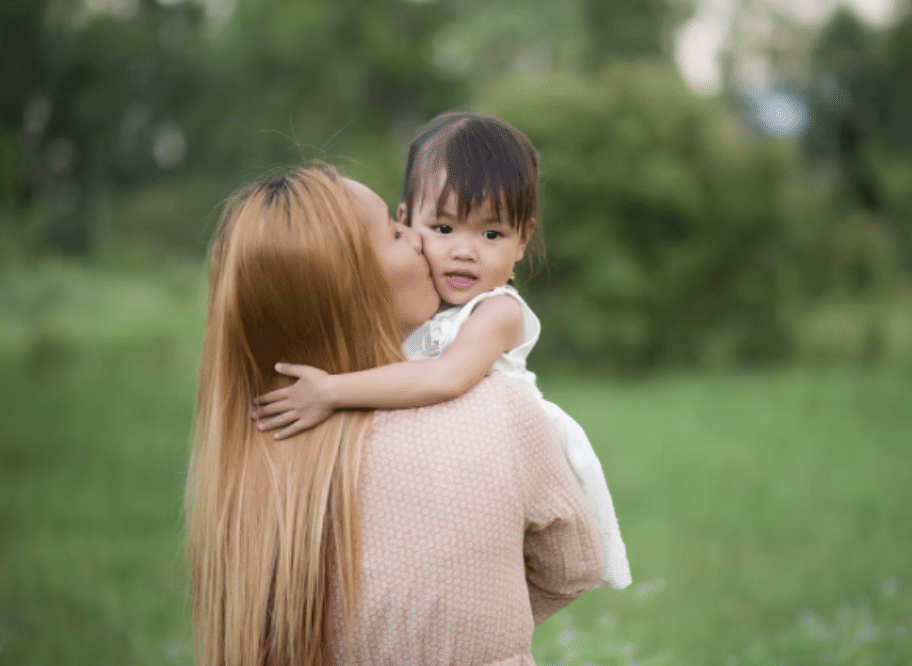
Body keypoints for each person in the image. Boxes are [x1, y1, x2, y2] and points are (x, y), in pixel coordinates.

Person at [185, 163, 602, 666]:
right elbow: (572, 566)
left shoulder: (250, 453)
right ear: (352, 283)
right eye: (394, 229)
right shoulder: (497, 408)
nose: (421, 241)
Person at [251, 113, 631, 589]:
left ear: (523, 241)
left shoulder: (497, 313)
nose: (464, 251)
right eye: (444, 228)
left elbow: (445, 377)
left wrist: (330, 390)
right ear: (407, 220)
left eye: (491, 234)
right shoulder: (416, 297)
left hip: (500, 466)